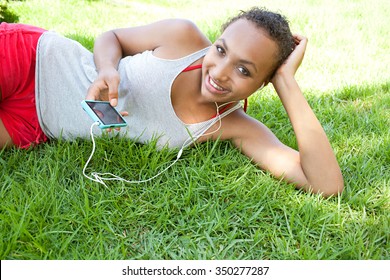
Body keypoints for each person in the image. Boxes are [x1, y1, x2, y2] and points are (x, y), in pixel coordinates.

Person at [0, 7, 344, 196]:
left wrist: (286, 82)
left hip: (35, 123)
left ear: (264, 81)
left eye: (243, 69)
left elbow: (326, 184)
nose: (220, 72)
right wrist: (106, 69)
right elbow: (112, 36)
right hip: (34, 59)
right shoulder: (183, 37)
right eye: (221, 50)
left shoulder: (235, 127)